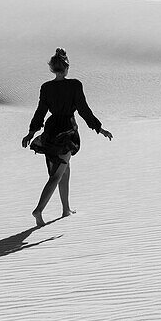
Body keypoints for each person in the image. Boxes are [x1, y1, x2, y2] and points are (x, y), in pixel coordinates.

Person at [21, 48, 112, 226]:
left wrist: (32, 132)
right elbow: (84, 110)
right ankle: (38, 210)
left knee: (64, 169)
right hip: (67, 132)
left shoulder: (46, 87)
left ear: (52, 69)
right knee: (56, 175)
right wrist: (99, 128)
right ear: (67, 67)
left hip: (51, 131)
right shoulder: (74, 85)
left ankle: (65, 209)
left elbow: (40, 112)